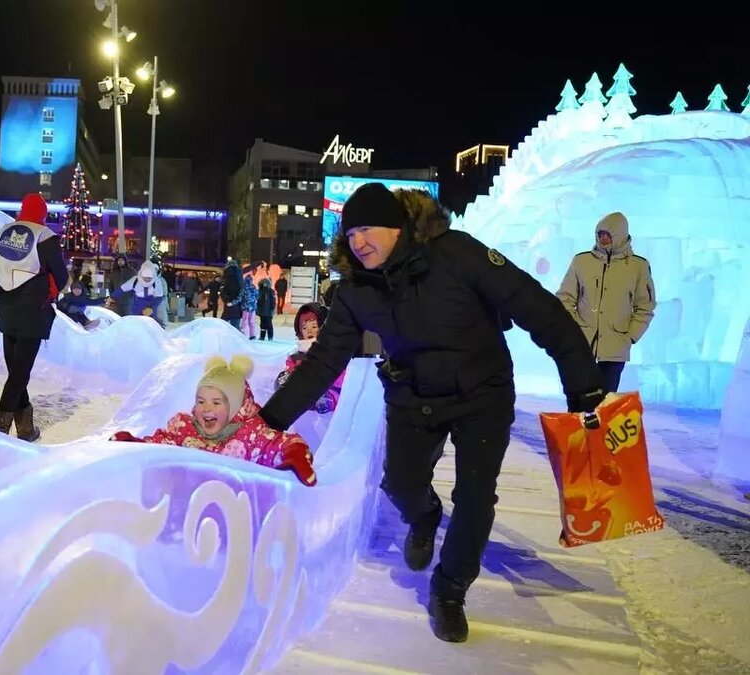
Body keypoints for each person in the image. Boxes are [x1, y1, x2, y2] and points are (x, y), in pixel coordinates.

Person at [258, 183, 605, 643]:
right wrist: (267, 423)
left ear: (397, 227)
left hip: (482, 393)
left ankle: (450, 587)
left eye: (367, 229)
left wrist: (583, 385)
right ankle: (423, 515)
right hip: (412, 394)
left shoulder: (456, 253)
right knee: (400, 484)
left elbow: (539, 309)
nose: (358, 242)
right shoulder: (356, 289)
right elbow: (323, 361)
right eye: (351, 233)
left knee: (476, 497)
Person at [110, 355, 316, 486]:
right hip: (189, 511)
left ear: (235, 407)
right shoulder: (185, 429)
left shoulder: (251, 435)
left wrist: (294, 454)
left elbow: (280, 443)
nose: (206, 408)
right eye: (201, 401)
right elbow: (159, 446)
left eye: (217, 402)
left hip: (235, 514)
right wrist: (133, 446)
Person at [0, 193, 69, 442]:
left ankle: (26, 429)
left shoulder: (5, 232)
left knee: (16, 370)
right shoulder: (45, 237)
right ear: (43, 212)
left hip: (7, 309)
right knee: (19, 373)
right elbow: (62, 277)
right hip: (33, 312)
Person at [556, 212, 656, 394]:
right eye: (600, 234)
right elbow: (565, 298)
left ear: (621, 235)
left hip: (616, 346)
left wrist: (630, 336)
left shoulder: (638, 266)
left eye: (608, 234)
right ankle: (576, 423)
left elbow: (645, 306)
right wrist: (574, 328)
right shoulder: (581, 261)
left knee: (605, 403)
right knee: (578, 396)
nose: (603, 238)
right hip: (581, 344)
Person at [274, 303, 344, 414]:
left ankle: (324, 401)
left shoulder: (332, 353)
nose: (309, 331)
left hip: (327, 389)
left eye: (314, 326)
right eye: (304, 327)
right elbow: (291, 367)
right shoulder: (298, 355)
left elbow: (341, 376)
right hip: (303, 390)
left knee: (328, 394)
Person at [219, 258, 243, 329]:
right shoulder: (239, 274)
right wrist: (236, 301)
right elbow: (242, 290)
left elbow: (222, 290)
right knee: (235, 325)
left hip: (228, 303)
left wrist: (227, 301)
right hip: (237, 304)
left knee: (223, 325)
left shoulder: (225, 275)